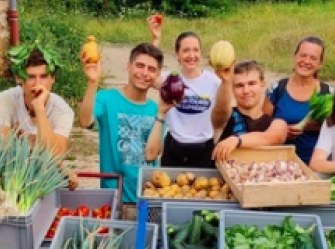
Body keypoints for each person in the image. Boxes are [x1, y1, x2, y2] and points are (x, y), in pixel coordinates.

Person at [79, 42, 164, 217]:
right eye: (139, 66)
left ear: (157, 75)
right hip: (115, 199)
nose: (144, 73)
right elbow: (84, 121)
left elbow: (153, 154)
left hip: (146, 198)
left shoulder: (157, 110)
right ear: (128, 66)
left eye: (151, 69)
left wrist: (162, 112)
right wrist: (93, 82)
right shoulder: (107, 99)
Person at [148, 15, 220, 167]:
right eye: (186, 50)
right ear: (177, 55)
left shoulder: (214, 82)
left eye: (195, 50)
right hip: (174, 149)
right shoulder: (169, 80)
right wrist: (155, 39)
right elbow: (150, 76)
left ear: (201, 53)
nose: (191, 55)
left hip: (204, 150)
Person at [265, 36, 331, 165]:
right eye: (303, 55)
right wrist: (280, 131)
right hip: (279, 165)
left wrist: (317, 127)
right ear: (294, 57)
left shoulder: (328, 94)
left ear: (320, 64)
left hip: (315, 167)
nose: (306, 61)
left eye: (313, 58)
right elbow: (262, 122)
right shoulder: (277, 89)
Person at [0, 46, 74, 157]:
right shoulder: (6, 100)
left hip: (46, 170)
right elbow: (3, 146)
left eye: (43, 76)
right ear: (18, 78)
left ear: (52, 78)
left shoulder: (62, 111)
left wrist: (39, 108)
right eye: (31, 77)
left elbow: (55, 156)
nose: (37, 84)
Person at [211, 60, 287, 161]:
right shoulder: (225, 118)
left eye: (251, 84)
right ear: (232, 89)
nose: (246, 91)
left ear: (263, 85)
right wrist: (226, 82)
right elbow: (221, 108)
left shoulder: (277, 124)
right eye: (239, 85)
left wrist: (236, 140)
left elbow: (269, 138)